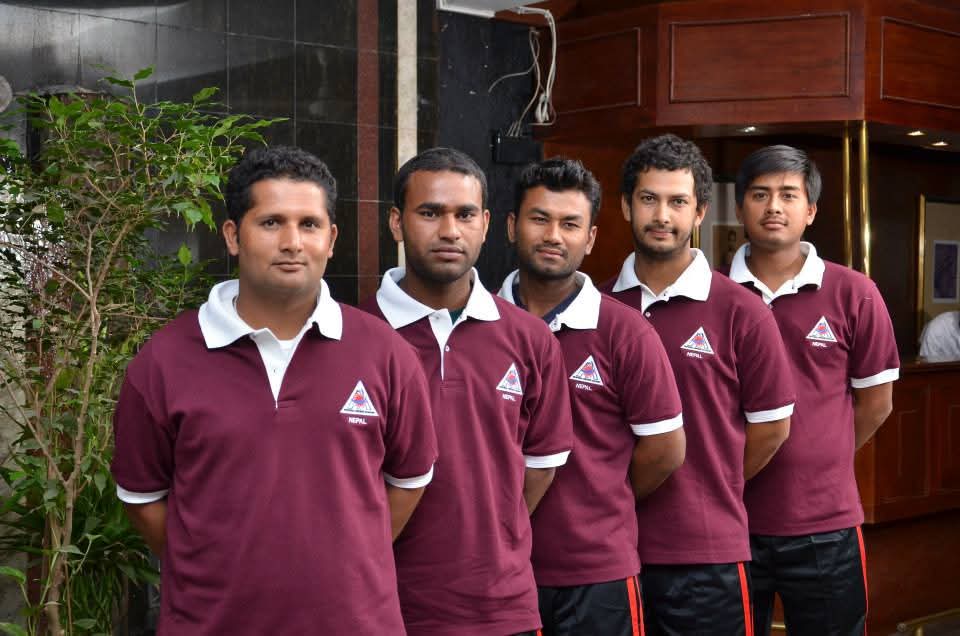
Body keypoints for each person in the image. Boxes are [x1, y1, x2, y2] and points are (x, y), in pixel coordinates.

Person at [111, 146, 438, 634]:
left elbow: (409, 482)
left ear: (331, 239)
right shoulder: (163, 361)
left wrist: (348, 557)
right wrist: (215, 568)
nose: (292, 242)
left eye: (309, 224)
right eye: (270, 223)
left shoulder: (386, 355)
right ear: (232, 235)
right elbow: (142, 498)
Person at [360, 147, 575, 636]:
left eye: (465, 215)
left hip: (501, 608)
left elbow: (539, 468)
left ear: (486, 224)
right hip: (383, 607)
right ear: (396, 223)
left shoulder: (531, 338)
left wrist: (490, 530)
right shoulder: (353, 336)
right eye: (430, 213)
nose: (450, 231)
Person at [600, 134, 796, 636]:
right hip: (608, 556)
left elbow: (772, 428)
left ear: (700, 212)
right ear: (625, 205)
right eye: (649, 199)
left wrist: (714, 483)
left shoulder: (742, 311)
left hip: (707, 553)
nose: (662, 215)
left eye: (678, 202)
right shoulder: (595, 310)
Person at [498, 157, 685, 635]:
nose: (553, 236)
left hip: (598, 573)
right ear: (511, 226)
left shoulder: (626, 332)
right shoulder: (481, 327)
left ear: (591, 238)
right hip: (498, 571)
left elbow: (665, 449)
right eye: (539, 219)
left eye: (570, 224)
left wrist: (603, 496)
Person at [728, 145, 899, 636]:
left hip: (826, 522)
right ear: (739, 208)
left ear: (811, 210)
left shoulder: (854, 292)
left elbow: (876, 404)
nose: (774, 206)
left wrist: (821, 453)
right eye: (760, 194)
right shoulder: (714, 294)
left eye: (788, 194)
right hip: (731, 520)